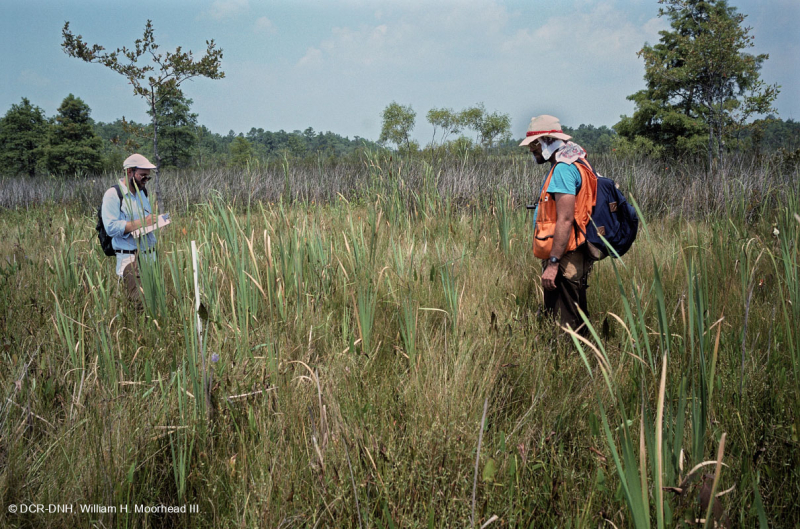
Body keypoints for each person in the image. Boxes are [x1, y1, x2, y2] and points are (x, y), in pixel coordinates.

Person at [520, 115, 597, 333]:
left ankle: (570, 361)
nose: (531, 150)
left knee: (566, 326)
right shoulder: (577, 161)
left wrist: (553, 264)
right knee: (575, 315)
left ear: (545, 140)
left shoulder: (563, 169)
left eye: (534, 145)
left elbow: (565, 218)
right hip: (574, 251)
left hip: (565, 257)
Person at [100, 153, 159, 308]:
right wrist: (143, 222)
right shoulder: (113, 195)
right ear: (129, 172)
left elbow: (145, 222)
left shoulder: (142, 192)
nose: (146, 181)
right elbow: (111, 228)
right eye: (143, 176)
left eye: (148, 177)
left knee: (152, 300)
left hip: (149, 254)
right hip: (130, 258)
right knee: (138, 303)